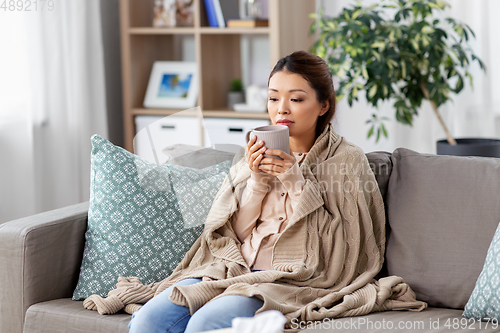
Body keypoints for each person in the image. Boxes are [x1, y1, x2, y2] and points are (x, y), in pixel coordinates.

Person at [84, 50, 426, 332]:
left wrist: (294, 181)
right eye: (274, 98)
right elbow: (229, 234)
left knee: (204, 324)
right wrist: (257, 181)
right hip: (229, 269)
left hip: (284, 279)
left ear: (323, 106)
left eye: (296, 99)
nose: (282, 109)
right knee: (147, 322)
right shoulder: (253, 153)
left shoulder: (346, 160)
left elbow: (341, 248)